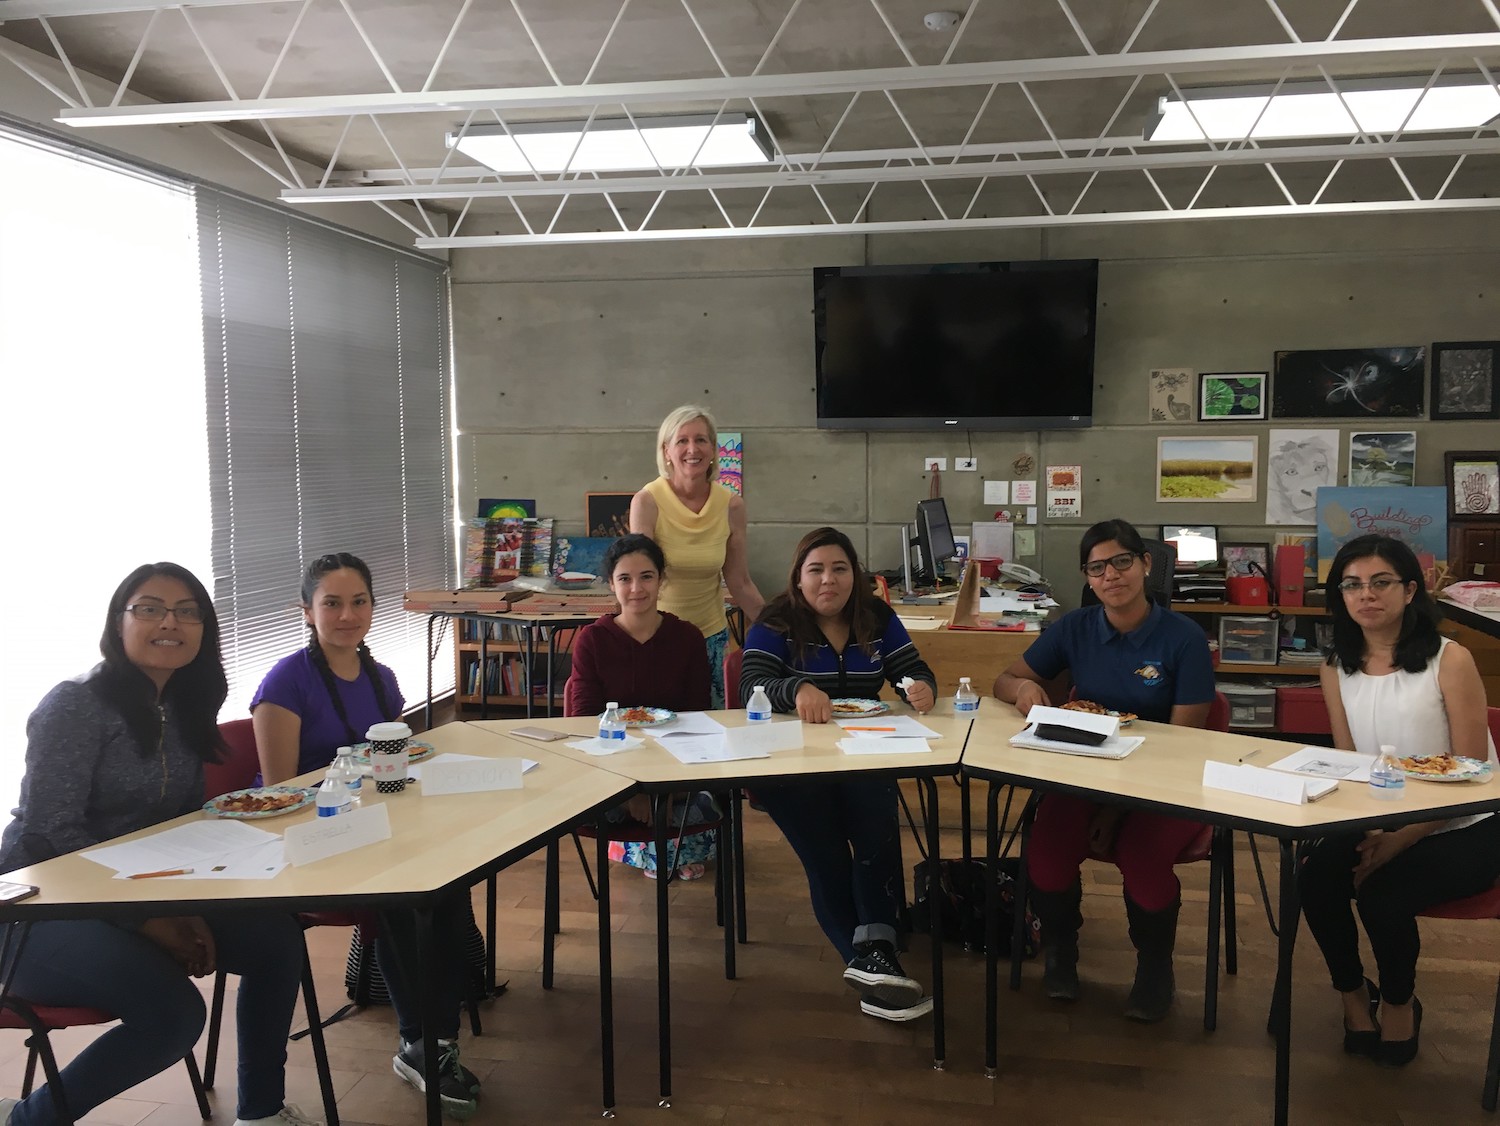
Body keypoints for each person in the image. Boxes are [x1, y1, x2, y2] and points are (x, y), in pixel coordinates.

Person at [0, 563, 319, 1126]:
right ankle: (31, 1120)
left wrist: (188, 904)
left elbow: (176, 827)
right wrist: (150, 920)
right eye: (149, 608)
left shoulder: (184, 703)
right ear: (118, 622)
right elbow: (50, 835)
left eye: (188, 611)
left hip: (141, 895)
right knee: (173, 1015)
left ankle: (261, 1113)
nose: (170, 622)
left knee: (276, 941)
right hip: (40, 911)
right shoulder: (75, 705)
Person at [250, 553, 481, 1119]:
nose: (347, 615)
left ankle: (440, 1033)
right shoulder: (285, 681)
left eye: (359, 602)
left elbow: (395, 770)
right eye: (332, 603)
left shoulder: (383, 678)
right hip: (302, 837)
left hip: (372, 825)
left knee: (450, 872)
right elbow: (282, 791)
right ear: (306, 611)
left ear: (373, 608)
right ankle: (419, 1042)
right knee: (408, 890)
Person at [992, 518, 1214, 1022]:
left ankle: (1156, 968)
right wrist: (1025, 691)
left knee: (1141, 857)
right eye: (1098, 567)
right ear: (1087, 578)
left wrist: (1114, 813)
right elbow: (1004, 679)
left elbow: (1184, 743)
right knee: (1045, 853)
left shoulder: (1184, 639)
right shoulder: (1074, 627)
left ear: (1145, 565)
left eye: (1121, 562)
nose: (1111, 575)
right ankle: (1061, 952)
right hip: (1084, 773)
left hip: (1165, 781)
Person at [1298, 535, 1500, 1066]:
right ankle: (1351, 997)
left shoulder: (1447, 660)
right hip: (1380, 811)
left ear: (1411, 590)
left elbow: (1473, 773)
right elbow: (1352, 766)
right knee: (1315, 876)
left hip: (1466, 822)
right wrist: (1370, 831)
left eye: (1381, 582)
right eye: (1353, 584)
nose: (1367, 595)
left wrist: (1401, 838)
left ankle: (1398, 1003)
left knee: (1383, 893)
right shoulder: (1336, 666)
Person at [739, 527, 937, 1022]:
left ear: (856, 576)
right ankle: (873, 963)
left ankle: (876, 960)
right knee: (827, 857)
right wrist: (796, 689)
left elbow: (911, 667)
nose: (828, 580)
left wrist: (923, 688)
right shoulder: (776, 620)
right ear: (799, 579)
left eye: (840, 568)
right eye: (816, 570)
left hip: (864, 756)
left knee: (876, 844)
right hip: (791, 767)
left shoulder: (877, 616)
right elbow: (752, 683)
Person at [564, 534, 717, 880]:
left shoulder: (687, 637)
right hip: (613, 769)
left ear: (662, 580)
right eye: (625, 579)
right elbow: (587, 724)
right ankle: (648, 827)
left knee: (708, 801)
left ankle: (656, 824)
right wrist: (631, 789)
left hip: (674, 764)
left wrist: (661, 788)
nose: (637, 588)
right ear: (611, 585)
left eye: (647, 576)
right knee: (583, 807)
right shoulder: (592, 640)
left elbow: (697, 716)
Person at [630, 404, 765, 708]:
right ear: (666, 451)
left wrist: (783, 630)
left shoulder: (732, 505)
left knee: (713, 736)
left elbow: (740, 581)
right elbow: (639, 581)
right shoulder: (647, 502)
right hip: (657, 639)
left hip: (712, 640)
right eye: (682, 440)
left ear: (714, 449)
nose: (693, 449)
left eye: (701, 440)